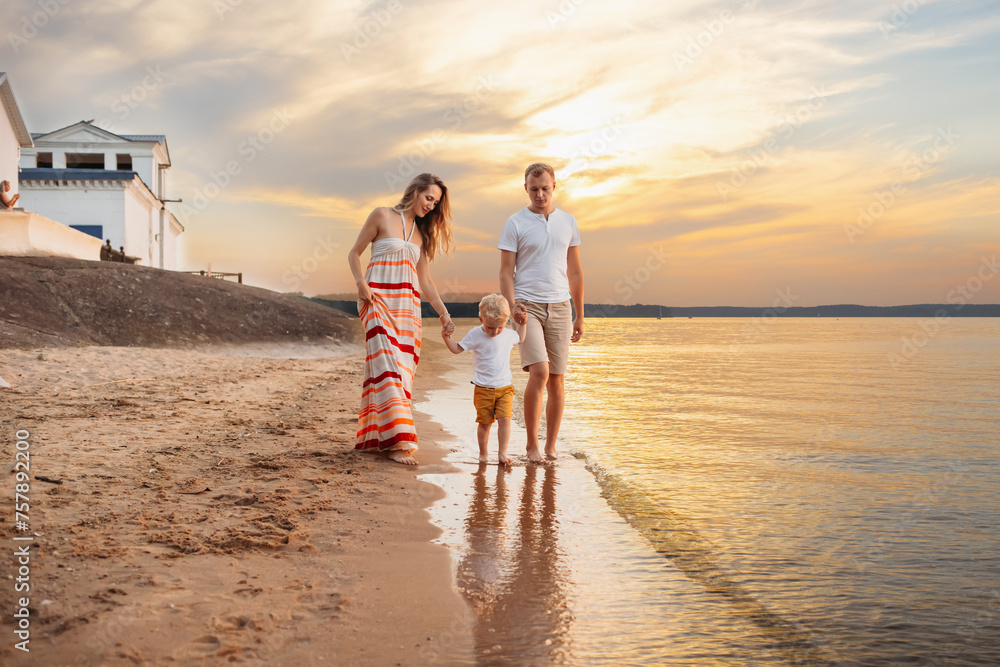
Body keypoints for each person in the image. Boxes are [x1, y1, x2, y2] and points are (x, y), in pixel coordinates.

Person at [348, 173, 455, 465]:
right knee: (386, 366)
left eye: (435, 202)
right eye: (428, 198)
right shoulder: (381, 215)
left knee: (400, 374)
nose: (431, 206)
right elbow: (354, 253)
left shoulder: (421, 235)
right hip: (376, 301)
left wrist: (444, 314)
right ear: (415, 191)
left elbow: (427, 282)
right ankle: (399, 442)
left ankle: (376, 439)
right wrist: (361, 283)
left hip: (408, 310)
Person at [499, 163, 583, 463]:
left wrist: (579, 314)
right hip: (526, 306)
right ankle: (531, 445)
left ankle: (550, 447)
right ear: (526, 188)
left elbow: (574, 271)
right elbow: (506, 272)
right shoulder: (515, 223)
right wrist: (512, 306)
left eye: (545, 188)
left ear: (554, 186)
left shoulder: (569, 222)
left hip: (561, 307)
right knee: (540, 372)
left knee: (557, 379)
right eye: (534, 189)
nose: (540, 194)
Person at [441, 294, 526, 465]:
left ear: (506, 322)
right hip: (483, 388)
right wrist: (446, 338)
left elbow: (521, 338)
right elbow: (457, 349)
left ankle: (502, 453)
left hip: (505, 388)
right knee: (485, 423)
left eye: (499, 327)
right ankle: (483, 453)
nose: (494, 332)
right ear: (481, 319)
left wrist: (523, 324)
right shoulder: (475, 334)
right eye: (490, 327)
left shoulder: (509, 334)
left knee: (505, 419)